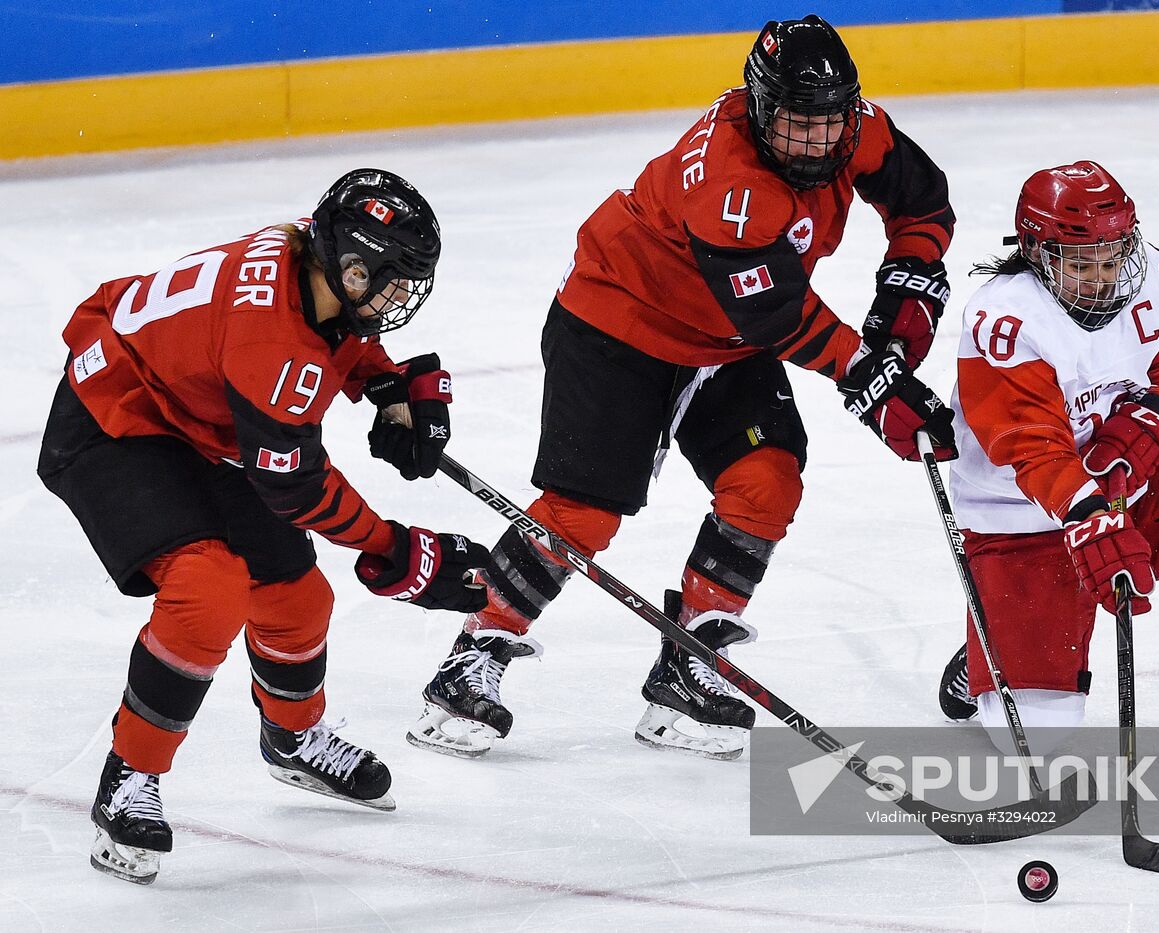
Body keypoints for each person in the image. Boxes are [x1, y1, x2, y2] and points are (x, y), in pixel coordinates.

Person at [407, 14, 958, 762]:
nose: (815, 143)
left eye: (829, 124)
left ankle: (689, 662)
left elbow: (922, 200)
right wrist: (869, 376)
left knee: (767, 481)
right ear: (760, 106)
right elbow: (776, 313)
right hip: (616, 324)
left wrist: (909, 289)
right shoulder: (730, 181)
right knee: (583, 512)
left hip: (721, 344)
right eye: (797, 124)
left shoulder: (855, 129)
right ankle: (474, 654)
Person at [38, 168, 492, 885]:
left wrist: (381, 382)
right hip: (109, 418)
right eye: (390, 279)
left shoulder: (300, 261)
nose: (397, 298)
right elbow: (295, 483)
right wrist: (395, 549)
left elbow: (330, 333)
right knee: (208, 588)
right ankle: (127, 779)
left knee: (297, 596)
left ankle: (292, 738)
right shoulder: (269, 342)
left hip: (184, 416)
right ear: (351, 262)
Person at [935, 161, 1159, 775]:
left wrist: (1153, 417)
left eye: (1112, 258)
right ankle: (988, 641)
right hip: (1018, 526)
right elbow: (1032, 448)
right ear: (1034, 250)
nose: (1102, 278)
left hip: (1128, 496)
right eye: (1080, 263)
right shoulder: (1003, 321)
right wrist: (1089, 518)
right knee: (1033, 740)